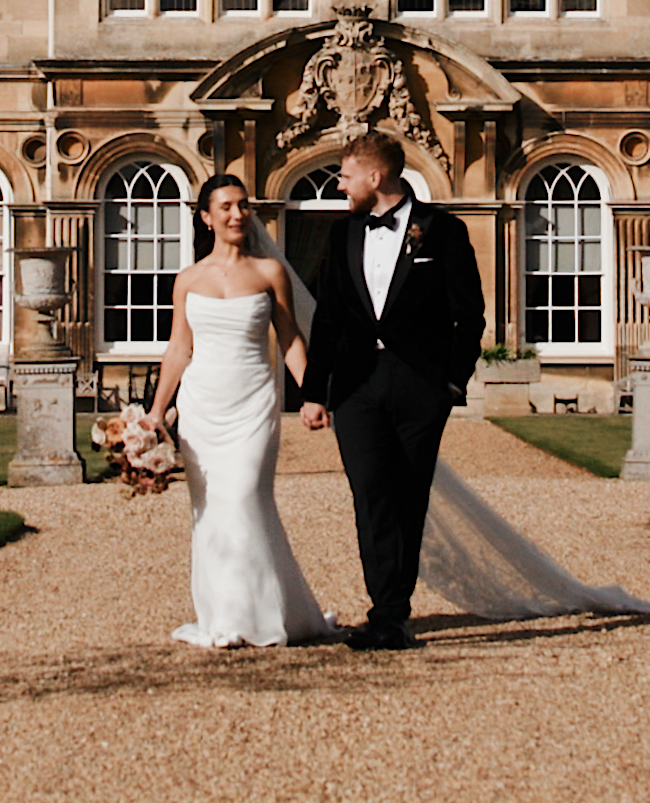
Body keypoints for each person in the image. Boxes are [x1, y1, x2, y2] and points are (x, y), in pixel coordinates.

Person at [292, 132, 486, 650]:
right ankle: (386, 612)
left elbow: (469, 314)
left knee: (408, 496)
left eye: (346, 174)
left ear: (375, 177)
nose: (340, 183)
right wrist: (314, 392)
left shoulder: (442, 230)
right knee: (370, 494)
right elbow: (329, 319)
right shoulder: (342, 235)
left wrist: (451, 380)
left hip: (420, 385)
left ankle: (394, 612)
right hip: (356, 386)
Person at [147, 175, 338, 647]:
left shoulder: (270, 272)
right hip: (201, 405)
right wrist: (155, 414)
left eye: (243, 205)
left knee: (245, 496)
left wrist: (311, 393)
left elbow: (290, 338)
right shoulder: (188, 280)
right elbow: (178, 350)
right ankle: (226, 616)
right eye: (227, 206)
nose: (237, 214)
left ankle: (261, 615)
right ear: (207, 217)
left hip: (254, 401)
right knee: (211, 508)